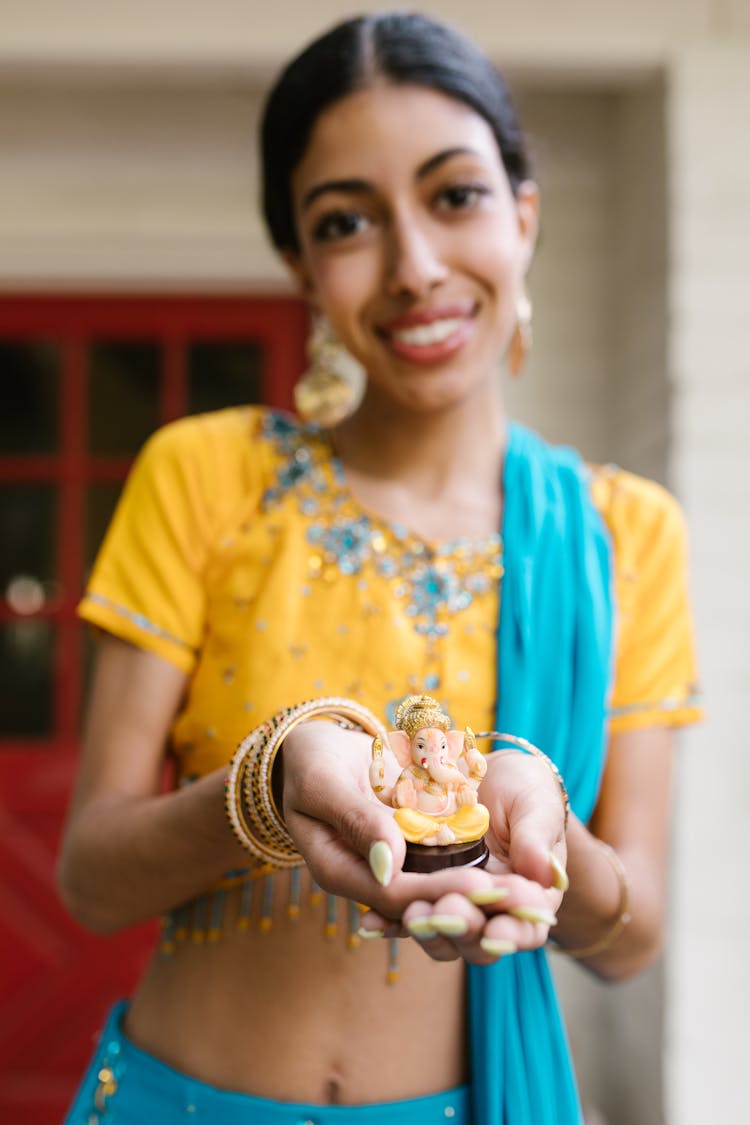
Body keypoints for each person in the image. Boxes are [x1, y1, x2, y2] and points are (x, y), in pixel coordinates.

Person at [57, 11, 702, 1125]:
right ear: (301, 268)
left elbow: (633, 937)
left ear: (524, 216)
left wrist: (542, 833)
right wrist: (267, 786)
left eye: (456, 195)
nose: (414, 267)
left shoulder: (617, 533)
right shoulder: (207, 475)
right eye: (347, 221)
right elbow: (92, 876)